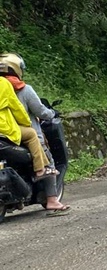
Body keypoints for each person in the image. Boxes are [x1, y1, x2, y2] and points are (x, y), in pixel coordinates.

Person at [0, 73, 70, 214]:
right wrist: (29, 123)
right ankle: (51, 199)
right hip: (10, 131)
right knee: (48, 159)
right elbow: (23, 109)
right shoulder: (20, 88)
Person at [0, 53, 58, 170]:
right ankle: (43, 174)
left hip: (6, 138)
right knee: (49, 164)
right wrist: (52, 113)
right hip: (17, 133)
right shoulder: (22, 89)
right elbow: (39, 112)